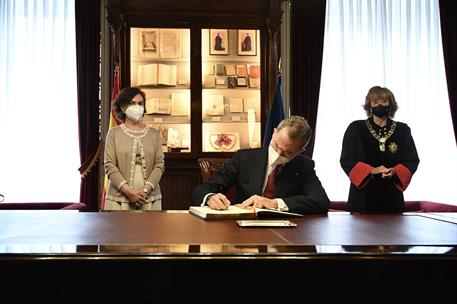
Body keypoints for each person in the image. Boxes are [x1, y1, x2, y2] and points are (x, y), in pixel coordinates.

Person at [192, 116, 330, 214]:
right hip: (242, 230)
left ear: (301, 150)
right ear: (274, 132)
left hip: (285, 233)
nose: (278, 154)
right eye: (276, 145)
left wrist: (275, 203)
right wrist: (210, 198)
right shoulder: (244, 158)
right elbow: (204, 189)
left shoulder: (303, 166)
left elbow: (321, 201)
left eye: (287, 152)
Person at [340, 86, 419, 213]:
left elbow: (411, 160)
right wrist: (371, 170)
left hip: (392, 195)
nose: (379, 105)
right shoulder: (355, 128)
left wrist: (395, 171)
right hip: (362, 197)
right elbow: (346, 160)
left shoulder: (403, 130)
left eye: (383, 102)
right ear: (369, 106)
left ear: (390, 105)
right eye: (375, 102)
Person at [104, 87, 165, 211]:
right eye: (132, 103)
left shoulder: (154, 134)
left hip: (149, 198)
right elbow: (110, 165)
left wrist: (146, 190)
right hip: (119, 198)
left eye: (140, 103)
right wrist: (128, 192)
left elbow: (159, 164)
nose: (137, 107)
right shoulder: (113, 133)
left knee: (149, 230)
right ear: (122, 106)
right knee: (120, 231)